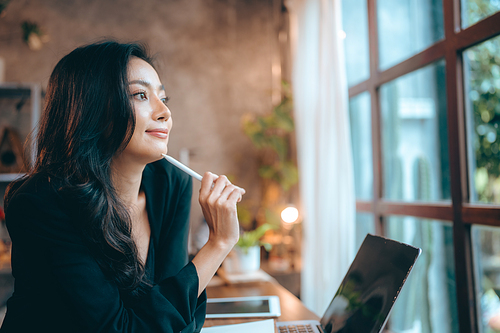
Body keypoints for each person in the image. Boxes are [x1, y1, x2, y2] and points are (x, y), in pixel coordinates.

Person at [1, 41, 245, 332]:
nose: (164, 112)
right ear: (91, 109)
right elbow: (119, 328)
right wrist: (217, 244)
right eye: (141, 95)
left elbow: (177, 319)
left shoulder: (170, 184)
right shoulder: (41, 202)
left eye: (163, 97)